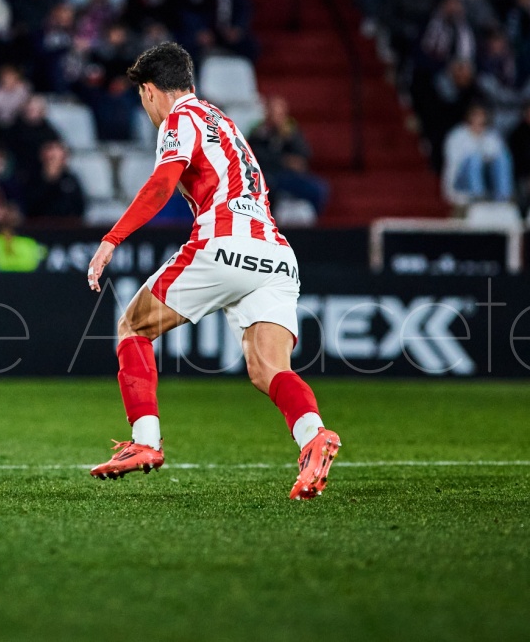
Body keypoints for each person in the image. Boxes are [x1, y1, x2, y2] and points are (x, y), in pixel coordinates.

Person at [84, 42, 340, 500]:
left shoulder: (179, 119)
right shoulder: (224, 121)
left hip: (224, 244)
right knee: (268, 369)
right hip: (276, 255)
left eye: (143, 98)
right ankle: (314, 436)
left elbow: (162, 184)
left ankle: (145, 441)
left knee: (133, 327)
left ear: (150, 91)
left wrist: (111, 239)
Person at [441, 105, 513, 206]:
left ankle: (504, 196)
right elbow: (451, 166)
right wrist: (449, 192)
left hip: (487, 181)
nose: (479, 119)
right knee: (475, 159)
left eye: (481, 116)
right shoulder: (456, 136)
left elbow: (500, 163)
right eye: (475, 116)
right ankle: (478, 196)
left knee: (503, 156)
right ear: (469, 117)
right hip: (462, 182)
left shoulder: (492, 136)